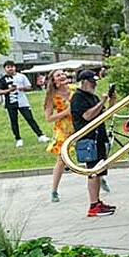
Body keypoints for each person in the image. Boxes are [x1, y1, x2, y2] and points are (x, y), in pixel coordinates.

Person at [69, 69, 115, 217]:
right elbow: (87, 116)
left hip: (98, 137)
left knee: (99, 171)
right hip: (88, 138)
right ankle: (93, 204)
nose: (94, 84)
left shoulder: (92, 97)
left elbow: (102, 115)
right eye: (92, 81)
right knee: (93, 172)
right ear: (84, 82)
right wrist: (101, 102)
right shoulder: (78, 97)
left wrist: (110, 101)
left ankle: (97, 201)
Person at [0, 60, 49, 147]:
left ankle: (40, 135)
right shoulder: (3, 79)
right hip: (11, 103)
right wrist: (9, 90)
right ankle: (18, 139)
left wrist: (22, 88)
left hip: (23, 102)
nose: (10, 69)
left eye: (12, 67)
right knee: (13, 121)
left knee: (30, 118)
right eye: (8, 67)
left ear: (15, 67)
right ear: (5, 69)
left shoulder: (21, 76)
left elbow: (29, 87)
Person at [41, 69, 74, 203]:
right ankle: (54, 190)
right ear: (54, 80)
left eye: (63, 74)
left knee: (89, 152)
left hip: (78, 124)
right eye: (58, 75)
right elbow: (49, 118)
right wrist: (66, 112)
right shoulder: (52, 96)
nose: (62, 76)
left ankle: (100, 179)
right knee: (62, 159)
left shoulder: (74, 89)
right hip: (64, 128)